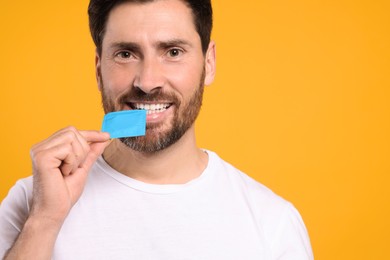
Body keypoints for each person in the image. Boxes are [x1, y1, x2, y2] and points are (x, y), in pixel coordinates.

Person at [0, 0, 314, 259]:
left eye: (173, 52)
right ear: (98, 71)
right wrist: (44, 221)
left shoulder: (272, 223)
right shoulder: (32, 203)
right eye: (125, 54)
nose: (148, 81)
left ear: (209, 63)